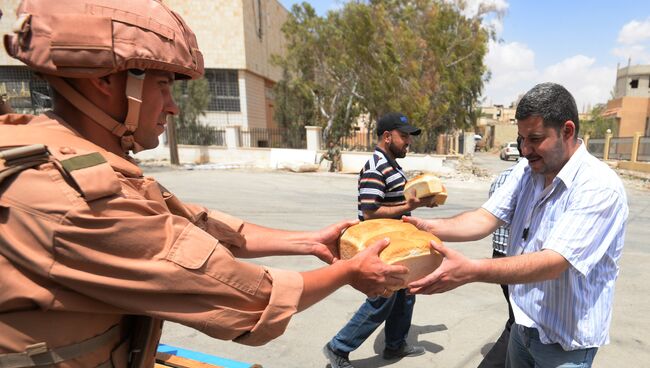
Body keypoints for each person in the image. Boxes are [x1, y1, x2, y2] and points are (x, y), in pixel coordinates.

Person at [0, 1, 409, 367]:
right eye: (162, 86)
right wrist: (349, 273)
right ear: (104, 81)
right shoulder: (69, 197)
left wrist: (307, 240)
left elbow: (196, 223)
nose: (173, 106)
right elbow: (245, 297)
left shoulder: (63, 151)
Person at [405, 83, 629, 368]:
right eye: (522, 138)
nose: (525, 149)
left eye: (535, 139)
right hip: (522, 327)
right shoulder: (529, 171)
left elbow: (553, 262)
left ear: (568, 131)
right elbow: (484, 218)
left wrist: (470, 270)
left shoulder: (599, 187)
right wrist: (424, 227)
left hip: (563, 346)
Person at [323, 112, 439, 368]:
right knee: (382, 301)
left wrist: (415, 204)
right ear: (387, 137)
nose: (409, 141)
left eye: (409, 136)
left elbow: (394, 203)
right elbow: (370, 211)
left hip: (398, 245)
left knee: (405, 294)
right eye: (404, 136)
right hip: (381, 247)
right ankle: (338, 347)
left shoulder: (391, 165)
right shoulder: (376, 167)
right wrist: (408, 205)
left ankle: (395, 344)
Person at [477, 161, 523, 368]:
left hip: (500, 254)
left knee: (517, 319)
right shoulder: (528, 179)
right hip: (517, 261)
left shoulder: (502, 177)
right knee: (518, 322)